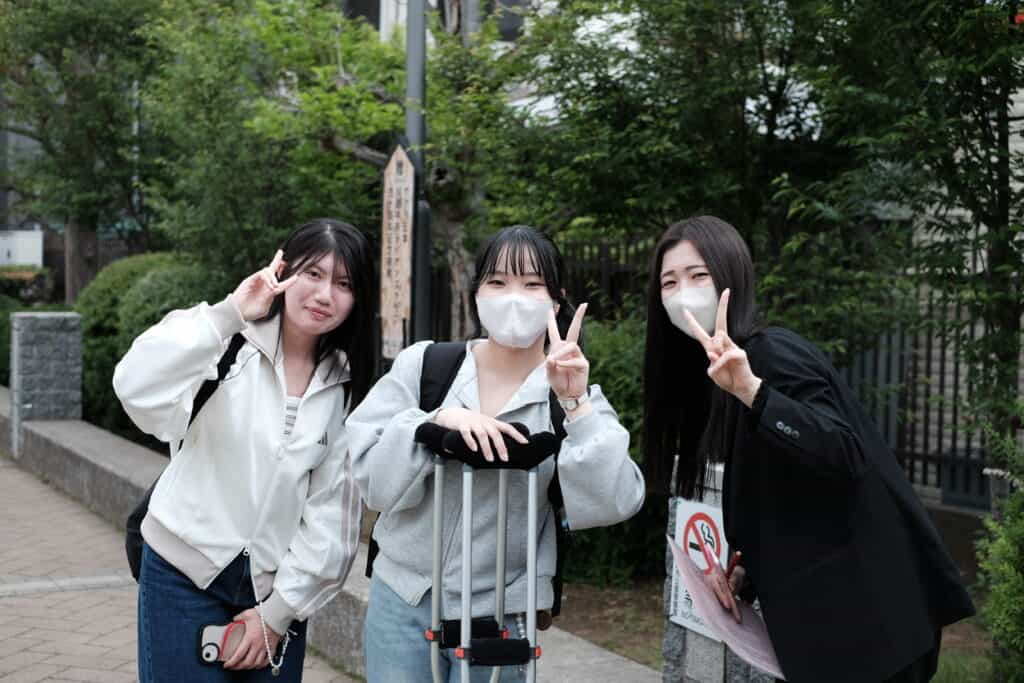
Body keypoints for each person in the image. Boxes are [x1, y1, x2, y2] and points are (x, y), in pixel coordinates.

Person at [643, 216, 975, 683]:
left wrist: (755, 392)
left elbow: (843, 452)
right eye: (669, 282)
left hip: (873, 622)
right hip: (833, 627)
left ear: (732, 276)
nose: (683, 294)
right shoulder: (718, 379)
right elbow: (785, 489)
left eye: (698, 275)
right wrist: (746, 571)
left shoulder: (771, 353)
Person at [347, 225, 646, 682]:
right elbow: (369, 476)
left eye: (532, 284)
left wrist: (576, 404)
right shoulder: (427, 367)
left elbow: (616, 500)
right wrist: (435, 420)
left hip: (503, 609)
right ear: (477, 294)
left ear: (557, 300)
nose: (514, 299)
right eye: (498, 282)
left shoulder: (569, 396)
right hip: (403, 597)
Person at [114, 218, 375, 682]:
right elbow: (135, 383)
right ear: (283, 271)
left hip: (275, 593)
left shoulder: (346, 384)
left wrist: (277, 614)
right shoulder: (230, 343)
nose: (324, 295)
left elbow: (333, 516)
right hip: (180, 576)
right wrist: (230, 312)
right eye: (313, 274)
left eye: (344, 284)